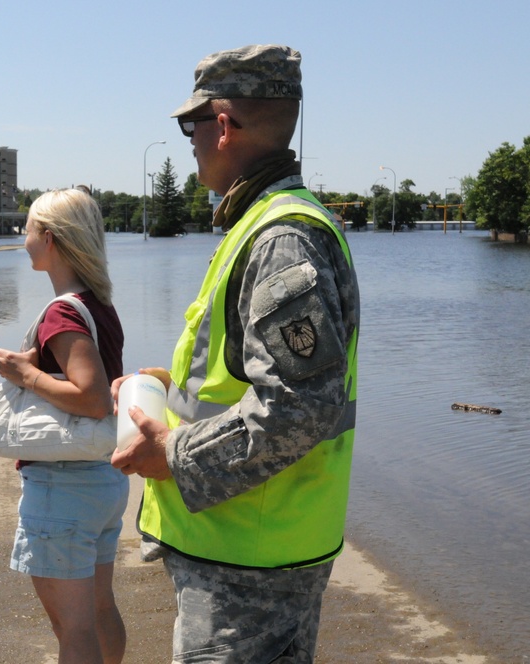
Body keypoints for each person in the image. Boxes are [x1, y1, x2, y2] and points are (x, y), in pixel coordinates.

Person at [110, 45, 360, 662]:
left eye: (190, 125)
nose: (188, 141)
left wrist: (171, 452)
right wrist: (168, 387)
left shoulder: (280, 237)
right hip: (258, 545)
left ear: (222, 126)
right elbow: (254, 375)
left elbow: (300, 407)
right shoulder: (270, 224)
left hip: (250, 558)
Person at [0, 187, 129, 664]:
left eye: (27, 228)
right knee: (98, 609)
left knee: (72, 630)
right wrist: (37, 362)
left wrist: (26, 374)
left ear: (48, 239)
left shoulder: (62, 311)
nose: (23, 237)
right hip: (103, 478)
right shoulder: (97, 304)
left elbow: (91, 397)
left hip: (63, 485)